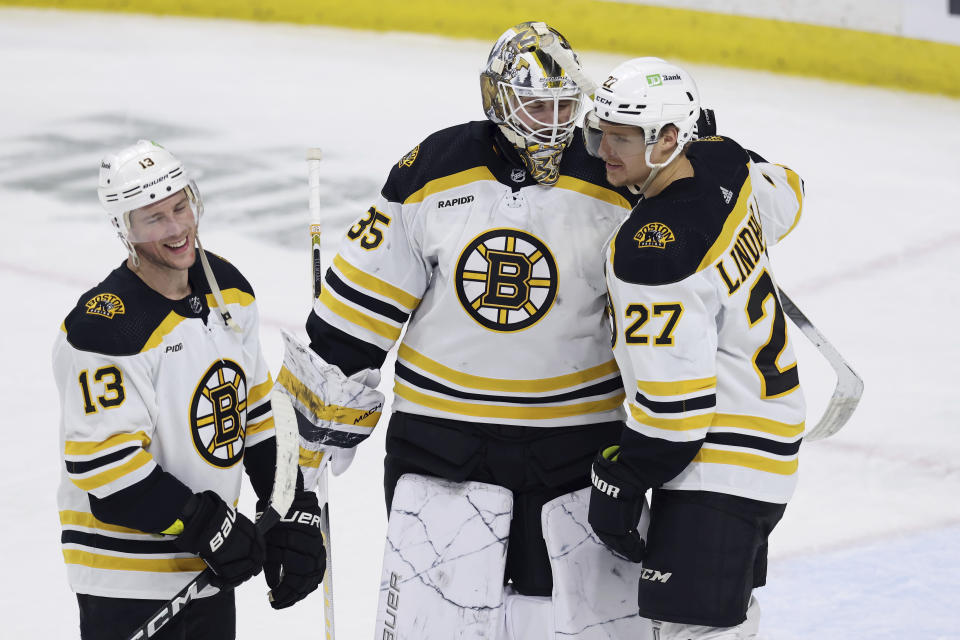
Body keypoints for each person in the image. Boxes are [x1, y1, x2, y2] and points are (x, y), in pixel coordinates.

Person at [296, 21, 652, 640]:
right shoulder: (434, 168)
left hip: (576, 445)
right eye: (539, 105)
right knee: (437, 622)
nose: (555, 120)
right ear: (498, 100)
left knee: (568, 620)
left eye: (568, 105)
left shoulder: (614, 174)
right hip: (444, 442)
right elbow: (361, 304)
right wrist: (322, 422)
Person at [53, 140, 325, 640]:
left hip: (209, 572)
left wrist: (288, 503)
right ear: (124, 229)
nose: (178, 228)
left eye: (181, 207)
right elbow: (108, 470)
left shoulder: (227, 288)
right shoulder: (106, 328)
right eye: (154, 219)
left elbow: (258, 412)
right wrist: (204, 523)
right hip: (126, 580)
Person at [584, 57, 806, 639]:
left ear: (669, 137)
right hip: (763, 451)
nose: (604, 149)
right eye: (600, 130)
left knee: (692, 633)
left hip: (717, 464)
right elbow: (791, 193)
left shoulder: (652, 251)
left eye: (622, 137)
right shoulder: (726, 162)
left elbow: (675, 413)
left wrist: (624, 478)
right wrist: (718, 150)